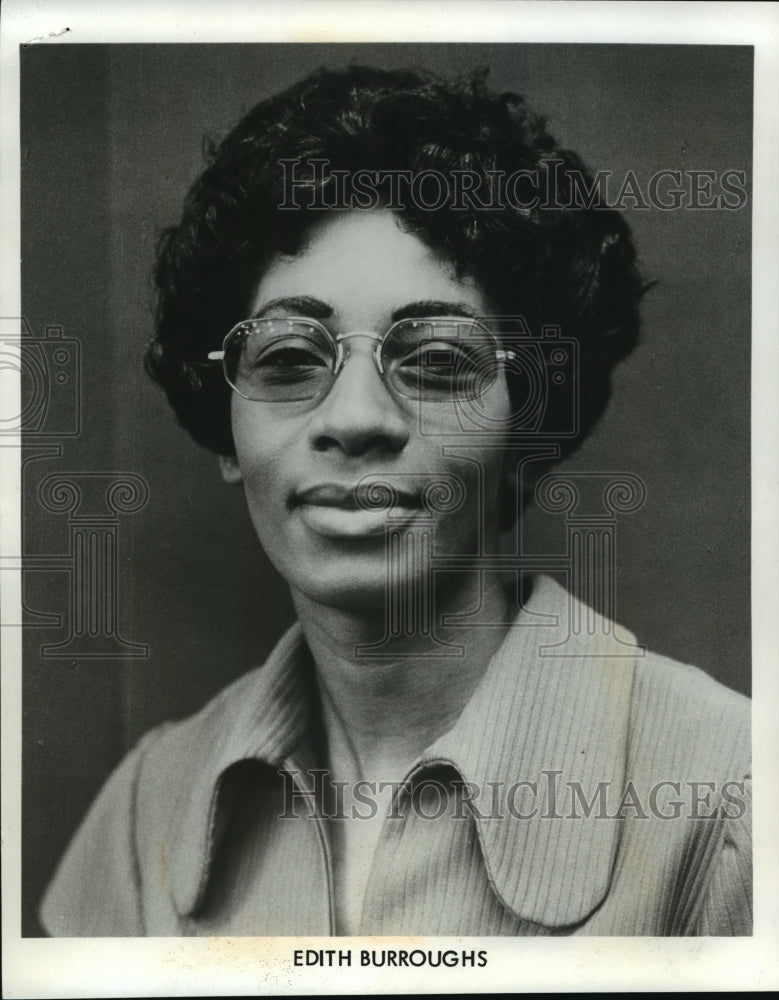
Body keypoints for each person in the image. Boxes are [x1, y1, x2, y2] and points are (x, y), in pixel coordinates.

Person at [40, 65, 751, 937]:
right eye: (290, 359)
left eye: (438, 362)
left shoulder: (732, 795)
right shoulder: (144, 813)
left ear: (527, 433)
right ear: (226, 431)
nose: (355, 420)